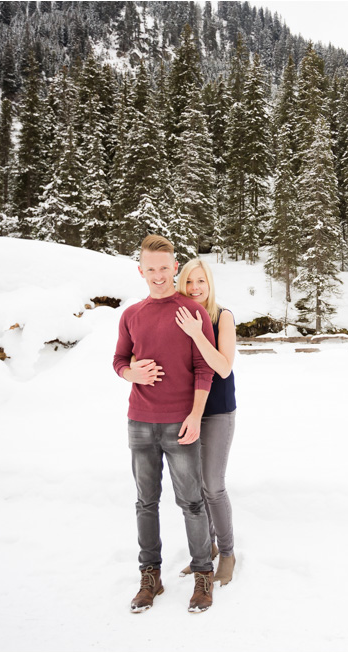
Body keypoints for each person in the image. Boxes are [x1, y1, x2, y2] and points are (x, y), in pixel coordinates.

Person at [112, 235, 217, 614]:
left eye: (164, 268)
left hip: (180, 421)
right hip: (139, 421)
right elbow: (119, 359)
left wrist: (194, 415)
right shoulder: (131, 314)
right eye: (150, 269)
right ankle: (150, 576)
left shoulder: (192, 312)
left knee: (191, 501)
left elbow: (205, 369)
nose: (158, 275)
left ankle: (203, 575)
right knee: (145, 503)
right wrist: (130, 373)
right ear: (141, 271)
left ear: (175, 267)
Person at [174, 258, 238, 585]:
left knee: (213, 484)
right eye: (189, 282)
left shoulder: (221, 316)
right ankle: (207, 548)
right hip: (186, 411)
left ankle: (227, 553)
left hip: (218, 411)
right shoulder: (178, 316)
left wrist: (198, 334)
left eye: (201, 281)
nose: (195, 288)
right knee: (197, 487)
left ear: (210, 284)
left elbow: (223, 367)